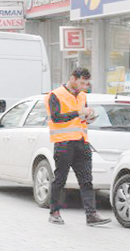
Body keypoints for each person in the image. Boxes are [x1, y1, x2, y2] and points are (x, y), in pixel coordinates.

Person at [44, 67, 110, 226]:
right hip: (64, 143)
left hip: (82, 142)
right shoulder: (55, 95)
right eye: (82, 82)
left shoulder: (82, 96)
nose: (84, 86)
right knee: (60, 179)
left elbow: (80, 119)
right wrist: (79, 113)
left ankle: (91, 215)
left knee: (87, 180)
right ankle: (54, 213)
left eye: (86, 83)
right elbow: (57, 118)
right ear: (73, 79)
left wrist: (88, 118)